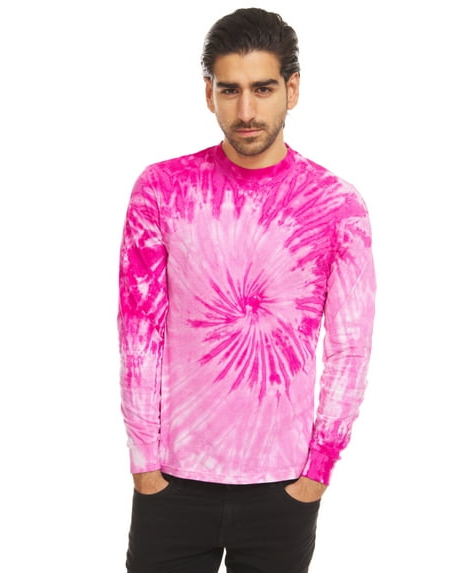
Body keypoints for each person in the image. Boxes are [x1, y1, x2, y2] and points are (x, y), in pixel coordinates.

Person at [118, 8, 376, 573]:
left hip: (283, 486)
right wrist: (145, 461)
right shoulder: (161, 188)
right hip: (173, 480)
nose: (246, 111)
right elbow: (140, 331)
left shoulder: (336, 205)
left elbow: (349, 347)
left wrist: (319, 469)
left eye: (263, 89)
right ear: (208, 93)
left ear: (292, 89)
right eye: (229, 90)